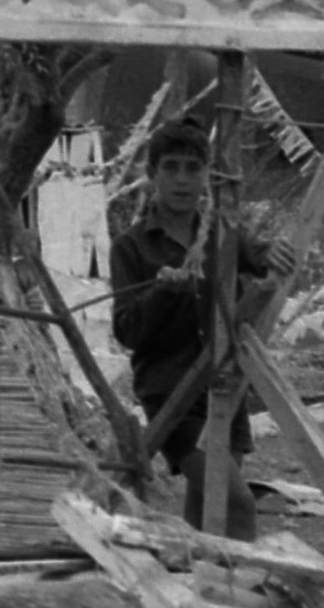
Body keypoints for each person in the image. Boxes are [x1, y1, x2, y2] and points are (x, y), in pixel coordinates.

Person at [108, 119, 277, 533]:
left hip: (225, 387)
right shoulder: (132, 246)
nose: (182, 180)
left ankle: (188, 588)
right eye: (171, 168)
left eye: (192, 168)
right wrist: (163, 292)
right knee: (236, 506)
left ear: (206, 176)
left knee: (205, 513)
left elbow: (265, 258)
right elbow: (127, 331)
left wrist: (279, 255)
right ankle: (243, 595)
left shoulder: (223, 232)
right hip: (172, 394)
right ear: (152, 175)